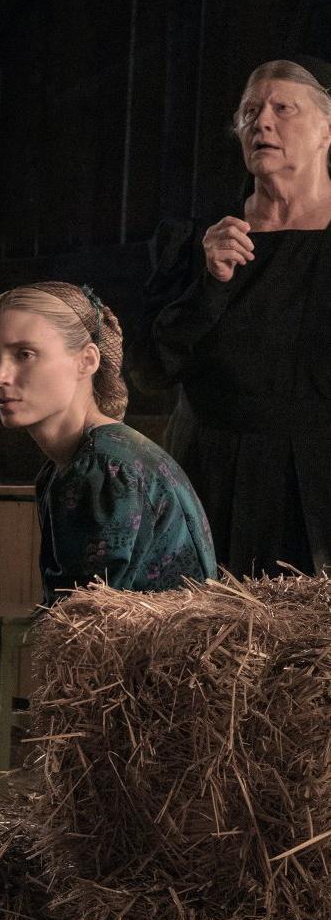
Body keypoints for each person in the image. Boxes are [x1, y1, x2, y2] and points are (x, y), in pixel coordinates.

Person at [148, 57, 331, 575]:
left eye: (283, 108)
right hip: (208, 472)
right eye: (250, 111)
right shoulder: (197, 240)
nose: (262, 122)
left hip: (317, 485)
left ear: (327, 130)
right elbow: (151, 366)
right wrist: (210, 283)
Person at [0, 281, 215, 603]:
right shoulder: (73, 464)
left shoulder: (104, 469)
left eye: (25, 354)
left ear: (87, 360)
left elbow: (81, 620)